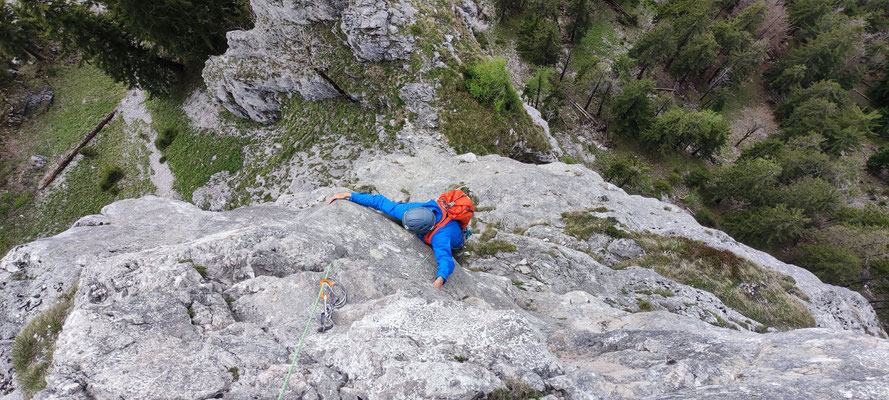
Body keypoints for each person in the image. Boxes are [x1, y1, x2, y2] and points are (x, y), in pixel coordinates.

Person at [327, 191, 469, 290]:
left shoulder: (440, 237)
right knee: (390, 213)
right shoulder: (411, 210)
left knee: (456, 253)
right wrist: (349, 195)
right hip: (438, 224)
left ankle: (462, 249)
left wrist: (439, 281)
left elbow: (446, 260)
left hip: (455, 240)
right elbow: (380, 202)